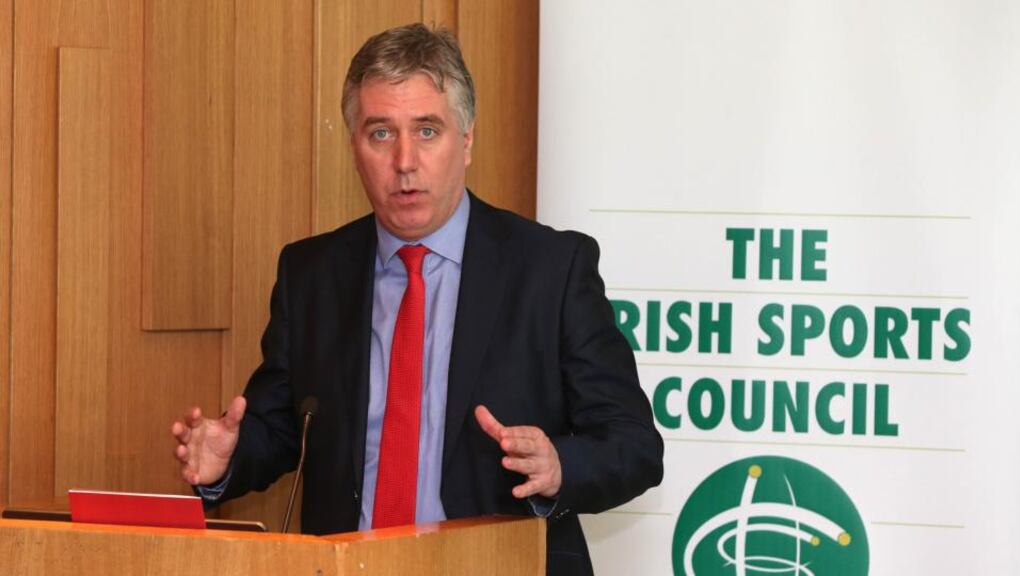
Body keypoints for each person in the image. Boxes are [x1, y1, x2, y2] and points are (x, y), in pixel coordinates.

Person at [171, 23, 662, 575]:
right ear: (355, 145)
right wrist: (227, 459)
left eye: (427, 131)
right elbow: (284, 428)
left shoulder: (551, 269)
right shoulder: (311, 273)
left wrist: (557, 465)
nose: (404, 161)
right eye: (381, 133)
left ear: (467, 138)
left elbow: (634, 447)